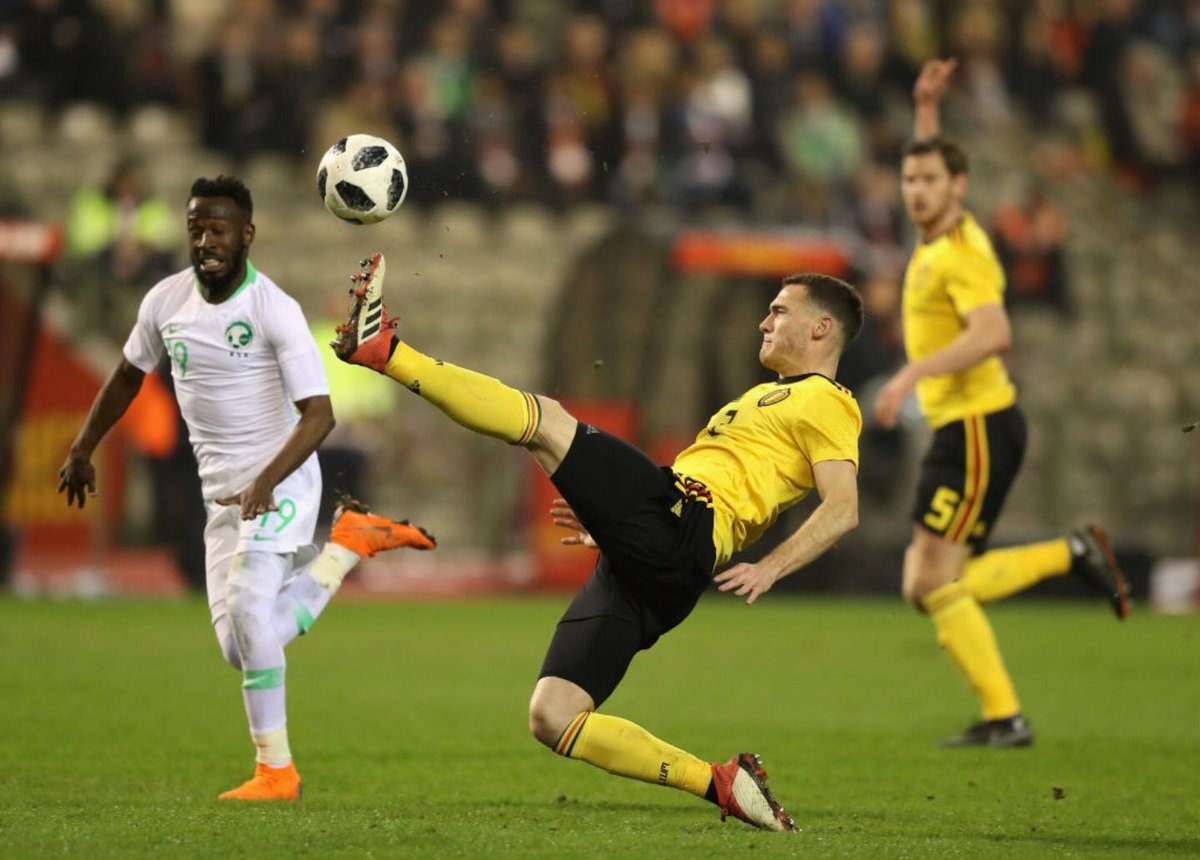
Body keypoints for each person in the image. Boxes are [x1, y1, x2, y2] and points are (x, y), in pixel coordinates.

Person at [332, 253, 864, 831]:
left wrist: (771, 567)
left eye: (779, 311)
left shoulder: (826, 402)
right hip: (662, 557)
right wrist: (613, 524)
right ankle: (720, 782)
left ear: (821, 327)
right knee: (554, 716)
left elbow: (842, 508)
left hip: (683, 522)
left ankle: (383, 351)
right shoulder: (768, 396)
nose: (764, 322)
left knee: (545, 420)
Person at [57, 176, 437, 800]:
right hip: (222, 495)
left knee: (249, 613)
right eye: (196, 229)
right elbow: (127, 376)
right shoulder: (164, 302)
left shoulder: (273, 309)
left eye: (219, 229)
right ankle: (347, 547)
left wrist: (266, 481)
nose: (206, 241)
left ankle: (276, 771)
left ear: (247, 235)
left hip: (282, 481)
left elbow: (319, 415)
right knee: (241, 645)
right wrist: (81, 447)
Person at [873, 59, 1130, 748]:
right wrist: (927, 109)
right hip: (964, 427)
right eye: (909, 180)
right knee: (925, 581)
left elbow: (994, 333)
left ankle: (1005, 716)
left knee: (932, 580)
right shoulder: (934, 237)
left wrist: (909, 373)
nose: (916, 190)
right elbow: (930, 159)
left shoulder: (964, 253)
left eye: (930, 180)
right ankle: (1070, 553)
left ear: (959, 186)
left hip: (979, 425)